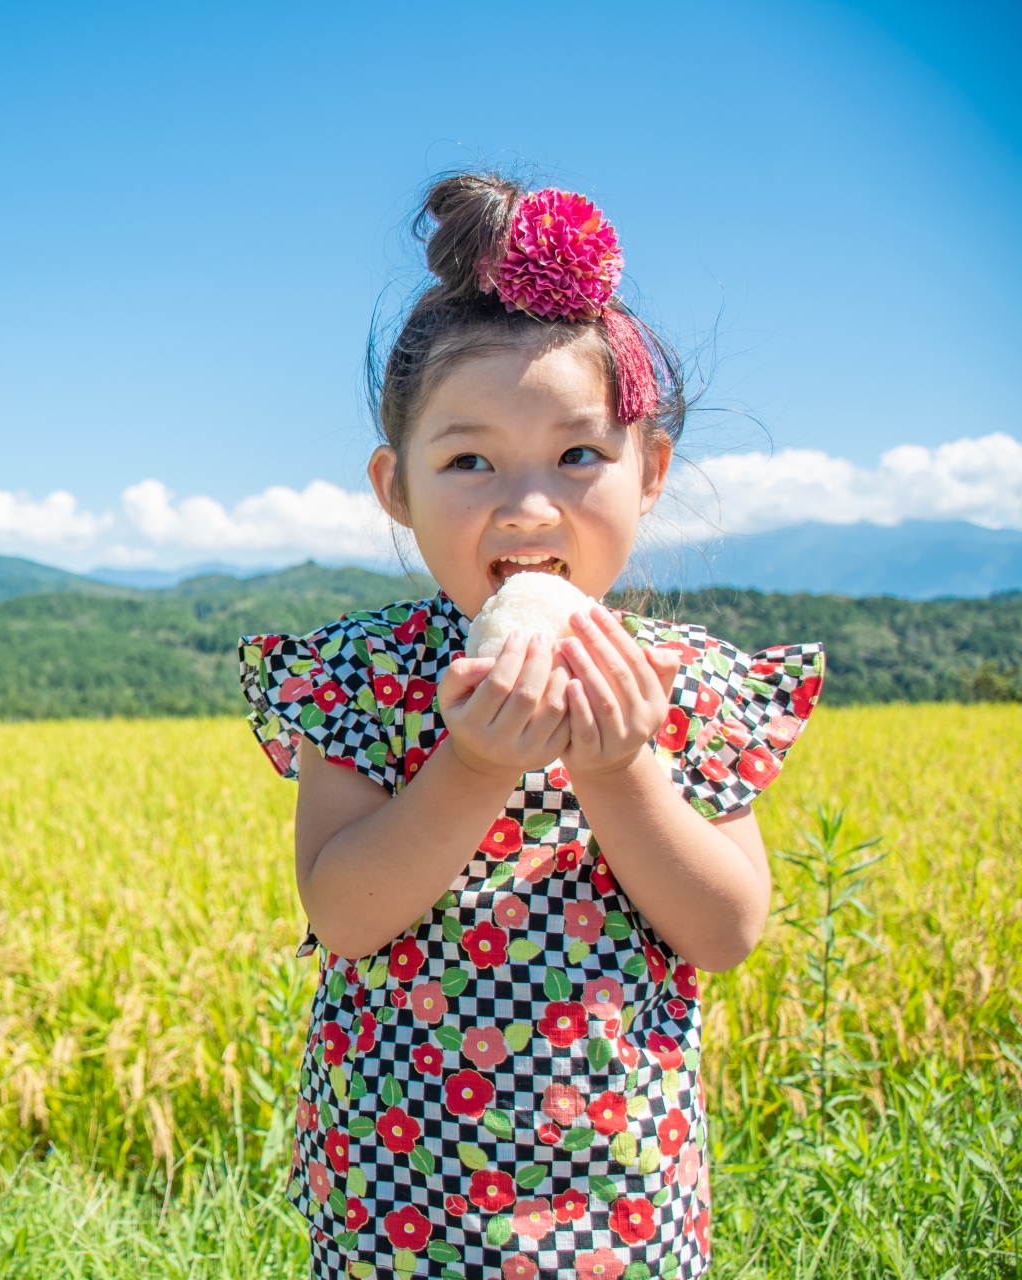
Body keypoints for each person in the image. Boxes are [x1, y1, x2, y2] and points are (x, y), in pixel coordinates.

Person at [239, 173, 824, 1280]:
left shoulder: (685, 686)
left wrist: (620, 769)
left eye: (578, 456)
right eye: (469, 460)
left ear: (649, 470)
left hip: (619, 1193)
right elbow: (344, 910)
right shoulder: (365, 678)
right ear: (395, 488)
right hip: (395, 1190)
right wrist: (470, 769)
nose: (527, 506)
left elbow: (726, 927)